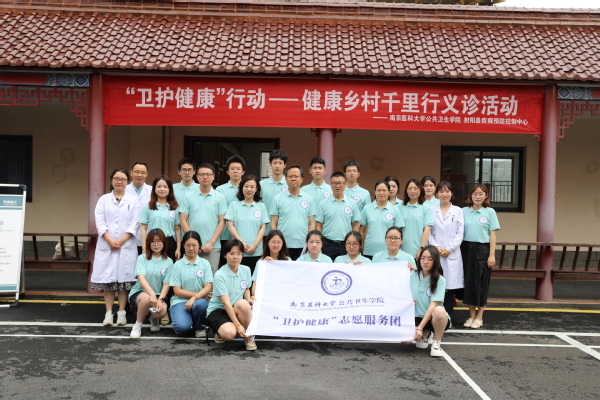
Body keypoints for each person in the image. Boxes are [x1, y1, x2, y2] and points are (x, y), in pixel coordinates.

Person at [91, 168, 141, 326]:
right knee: (109, 282)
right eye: (116, 178)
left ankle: (121, 313)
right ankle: (108, 313)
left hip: (126, 245)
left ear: (127, 181)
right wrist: (109, 240)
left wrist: (122, 240)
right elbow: (100, 222)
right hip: (107, 245)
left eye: (123, 179)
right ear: (112, 180)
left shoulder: (133, 200)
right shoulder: (104, 200)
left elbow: (135, 222)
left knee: (123, 283)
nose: (119, 182)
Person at [205, 239, 257, 350]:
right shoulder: (220, 275)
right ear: (225, 255)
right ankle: (220, 330)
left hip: (236, 307)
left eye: (239, 254)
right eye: (232, 253)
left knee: (244, 304)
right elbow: (226, 304)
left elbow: (246, 288)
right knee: (229, 334)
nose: (235, 257)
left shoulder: (246, 270)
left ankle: (248, 335)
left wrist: (248, 299)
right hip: (219, 310)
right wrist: (238, 325)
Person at [461, 184, 500, 329]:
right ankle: (471, 315)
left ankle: (479, 316)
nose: (478, 196)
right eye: (475, 194)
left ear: (486, 196)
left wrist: (491, 255)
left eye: (481, 194)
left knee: (481, 283)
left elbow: (493, 235)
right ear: (470, 196)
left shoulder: (490, 212)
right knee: (469, 283)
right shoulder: (463, 211)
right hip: (466, 249)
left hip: (482, 250)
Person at [179, 163, 227, 274]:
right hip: (191, 247)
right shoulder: (188, 196)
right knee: (190, 274)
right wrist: (193, 242)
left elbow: (222, 222)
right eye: (202, 174)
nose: (205, 177)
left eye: (208, 174)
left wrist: (211, 242)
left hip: (213, 246)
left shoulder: (219, 197)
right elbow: (183, 220)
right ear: (197, 176)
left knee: (211, 274)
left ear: (213, 177)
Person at [428, 181, 464, 318]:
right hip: (435, 253)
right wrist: (435, 247)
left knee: (449, 287)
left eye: (447, 191)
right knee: (435, 284)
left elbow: (460, 233)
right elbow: (428, 231)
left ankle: (447, 317)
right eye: (441, 191)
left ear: (451, 193)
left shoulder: (458, 211)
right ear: (437, 193)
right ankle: (433, 315)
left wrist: (449, 249)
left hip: (451, 254)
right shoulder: (431, 210)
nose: (444, 194)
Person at [128, 228, 173, 339]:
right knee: (147, 298)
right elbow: (141, 278)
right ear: (148, 243)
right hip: (140, 293)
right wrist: (152, 293)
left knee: (161, 312)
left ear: (164, 242)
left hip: (158, 295)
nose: (156, 244)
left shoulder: (169, 261)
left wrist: (160, 299)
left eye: (159, 241)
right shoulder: (142, 258)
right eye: (153, 241)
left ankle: (154, 318)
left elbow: (166, 283)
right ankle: (137, 325)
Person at [169, 231, 213, 338]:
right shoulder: (177, 265)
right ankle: (186, 320)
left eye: (194, 245)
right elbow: (177, 291)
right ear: (183, 245)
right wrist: (197, 295)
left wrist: (194, 298)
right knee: (181, 328)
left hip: (199, 301)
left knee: (201, 305)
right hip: (180, 301)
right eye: (188, 245)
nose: (191, 248)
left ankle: (199, 326)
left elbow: (208, 287)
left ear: (199, 246)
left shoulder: (205, 263)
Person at [411, 245, 450, 357]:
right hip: (416, 316)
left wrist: (419, 327)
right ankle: (426, 333)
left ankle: (436, 342)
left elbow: (433, 306)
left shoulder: (440, 280)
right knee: (405, 341)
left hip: (433, 318)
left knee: (439, 310)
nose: (425, 262)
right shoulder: (413, 275)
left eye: (429, 259)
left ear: (435, 261)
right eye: (423, 258)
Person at [270, 165, 316, 260]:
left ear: (302, 179)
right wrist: (275, 241)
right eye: (290, 176)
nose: (293, 179)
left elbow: (311, 223)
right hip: (283, 245)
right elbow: (273, 223)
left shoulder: (309, 199)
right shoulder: (277, 199)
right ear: (285, 179)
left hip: (303, 245)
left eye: (296, 176)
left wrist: (310, 242)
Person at [225, 174, 269, 274]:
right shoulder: (234, 205)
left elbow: (263, 227)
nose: (249, 189)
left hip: (256, 251)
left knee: (255, 278)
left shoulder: (261, 206)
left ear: (256, 189)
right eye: (246, 186)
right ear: (241, 187)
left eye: (252, 187)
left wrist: (254, 245)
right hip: (237, 251)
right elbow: (230, 226)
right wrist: (241, 243)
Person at [316, 171, 360, 260]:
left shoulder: (352, 203)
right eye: (334, 183)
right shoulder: (323, 204)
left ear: (345, 184)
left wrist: (354, 243)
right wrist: (319, 244)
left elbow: (355, 225)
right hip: (327, 245)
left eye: (340, 183)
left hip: (346, 245)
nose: (337, 186)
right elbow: (319, 225)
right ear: (330, 185)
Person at [139, 175, 181, 262]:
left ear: (170, 189)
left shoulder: (175, 208)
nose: (162, 189)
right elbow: (143, 228)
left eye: (165, 187)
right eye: (159, 186)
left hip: (169, 243)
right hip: (152, 243)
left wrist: (178, 249)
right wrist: (144, 248)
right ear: (154, 189)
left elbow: (177, 229)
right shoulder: (148, 207)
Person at [359, 181, 405, 260]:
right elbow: (361, 230)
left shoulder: (395, 210)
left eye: (384, 190)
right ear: (375, 192)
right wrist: (361, 246)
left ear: (389, 192)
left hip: (388, 252)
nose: (381, 193)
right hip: (369, 251)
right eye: (379, 190)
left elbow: (398, 232)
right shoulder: (367, 208)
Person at [216, 155, 246, 267]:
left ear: (243, 172)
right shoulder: (220, 190)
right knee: (224, 265)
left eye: (238, 169)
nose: (235, 171)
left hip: (243, 234)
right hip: (224, 234)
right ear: (227, 171)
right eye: (232, 168)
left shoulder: (247, 189)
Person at [251, 230, 292, 297]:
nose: (276, 245)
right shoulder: (261, 262)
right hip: (266, 295)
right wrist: (255, 296)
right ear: (267, 243)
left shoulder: (288, 260)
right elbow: (256, 283)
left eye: (279, 242)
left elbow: (290, 281)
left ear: (282, 244)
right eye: (273, 242)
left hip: (283, 294)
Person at [400, 179, 433, 259]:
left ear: (421, 190)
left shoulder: (426, 207)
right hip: (402, 250)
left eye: (416, 188)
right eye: (410, 188)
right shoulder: (400, 207)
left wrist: (421, 248)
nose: (413, 191)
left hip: (419, 250)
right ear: (406, 190)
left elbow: (427, 230)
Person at [126, 161, 152, 254]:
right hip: (126, 237)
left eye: (143, 172)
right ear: (131, 172)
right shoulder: (124, 190)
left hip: (147, 237)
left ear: (147, 174)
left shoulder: (153, 191)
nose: (140, 175)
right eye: (137, 172)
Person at [260, 149, 288, 233]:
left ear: (285, 165)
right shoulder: (261, 185)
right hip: (265, 230)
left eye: (280, 163)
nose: (277, 166)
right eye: (275, 163)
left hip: (285, 230)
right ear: (270, 164)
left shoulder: (289, 185)